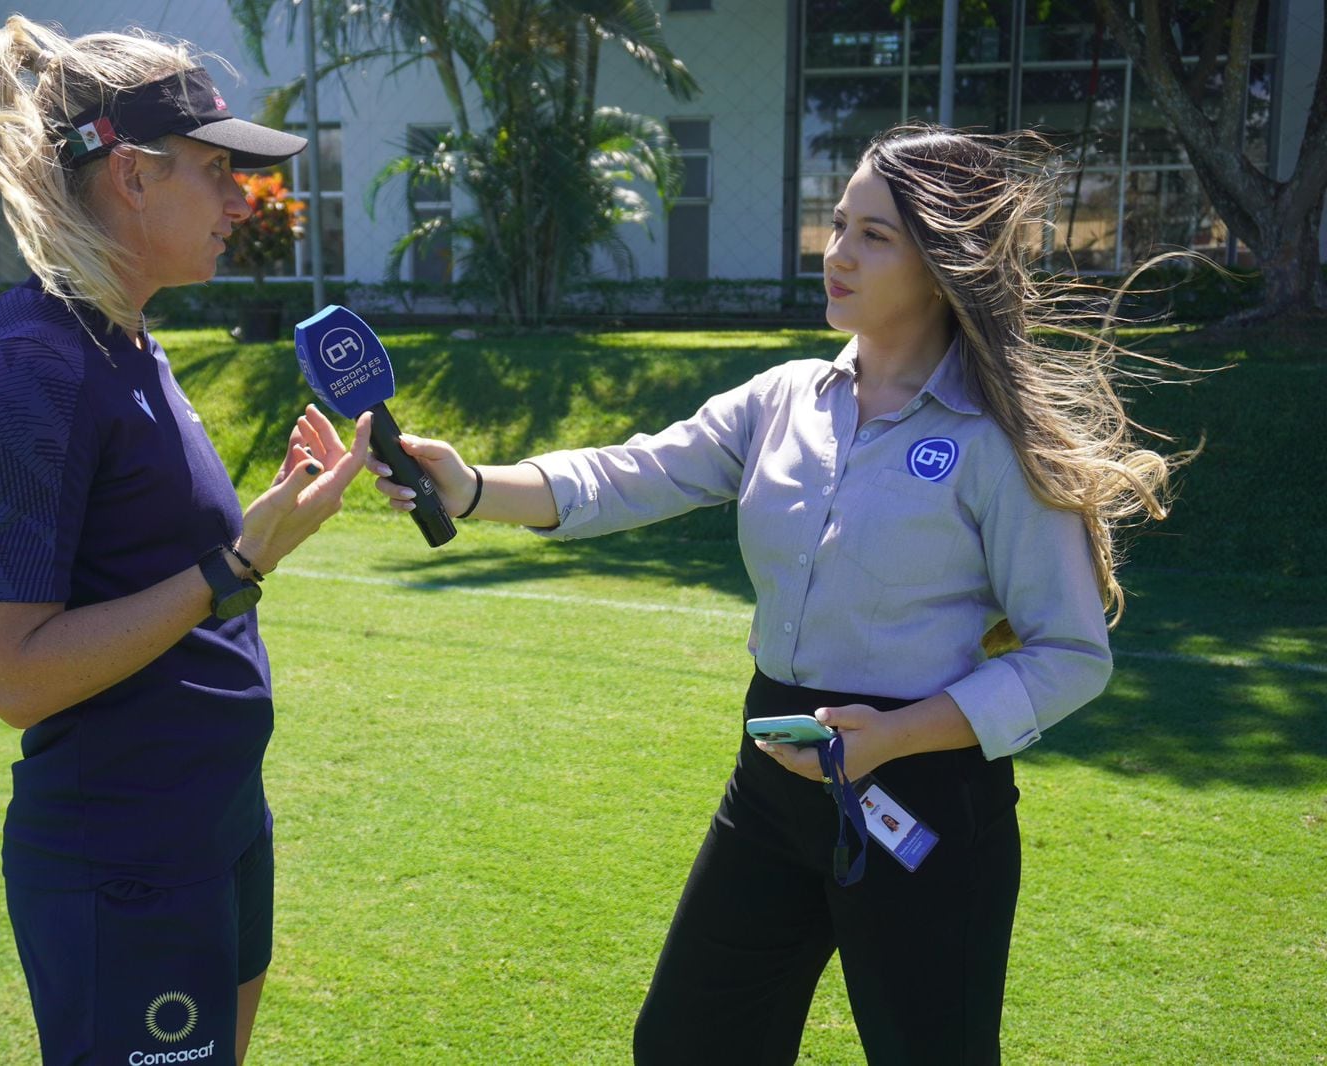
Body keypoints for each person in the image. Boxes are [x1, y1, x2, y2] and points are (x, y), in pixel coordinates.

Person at [372, 125, 1190, 1063]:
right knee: (689, 1044)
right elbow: (628, 474)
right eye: (837, 223)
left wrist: (895, 736)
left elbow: (1070, 656)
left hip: (925, 791)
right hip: (774, 777)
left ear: (940, 263)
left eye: (874, 236)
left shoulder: (994, 444)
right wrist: (471, 485)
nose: (836, 252)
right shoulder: (784, 399)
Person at [0, 17, 370, 1064]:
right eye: (220, 173)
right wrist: (237, 561)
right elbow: (15, 677)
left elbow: (158, 568)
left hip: (211, 822)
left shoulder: (125, 334)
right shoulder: (26, 370)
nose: (244, 201)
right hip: (122, 857)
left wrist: (262, 526)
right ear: (132, 177)